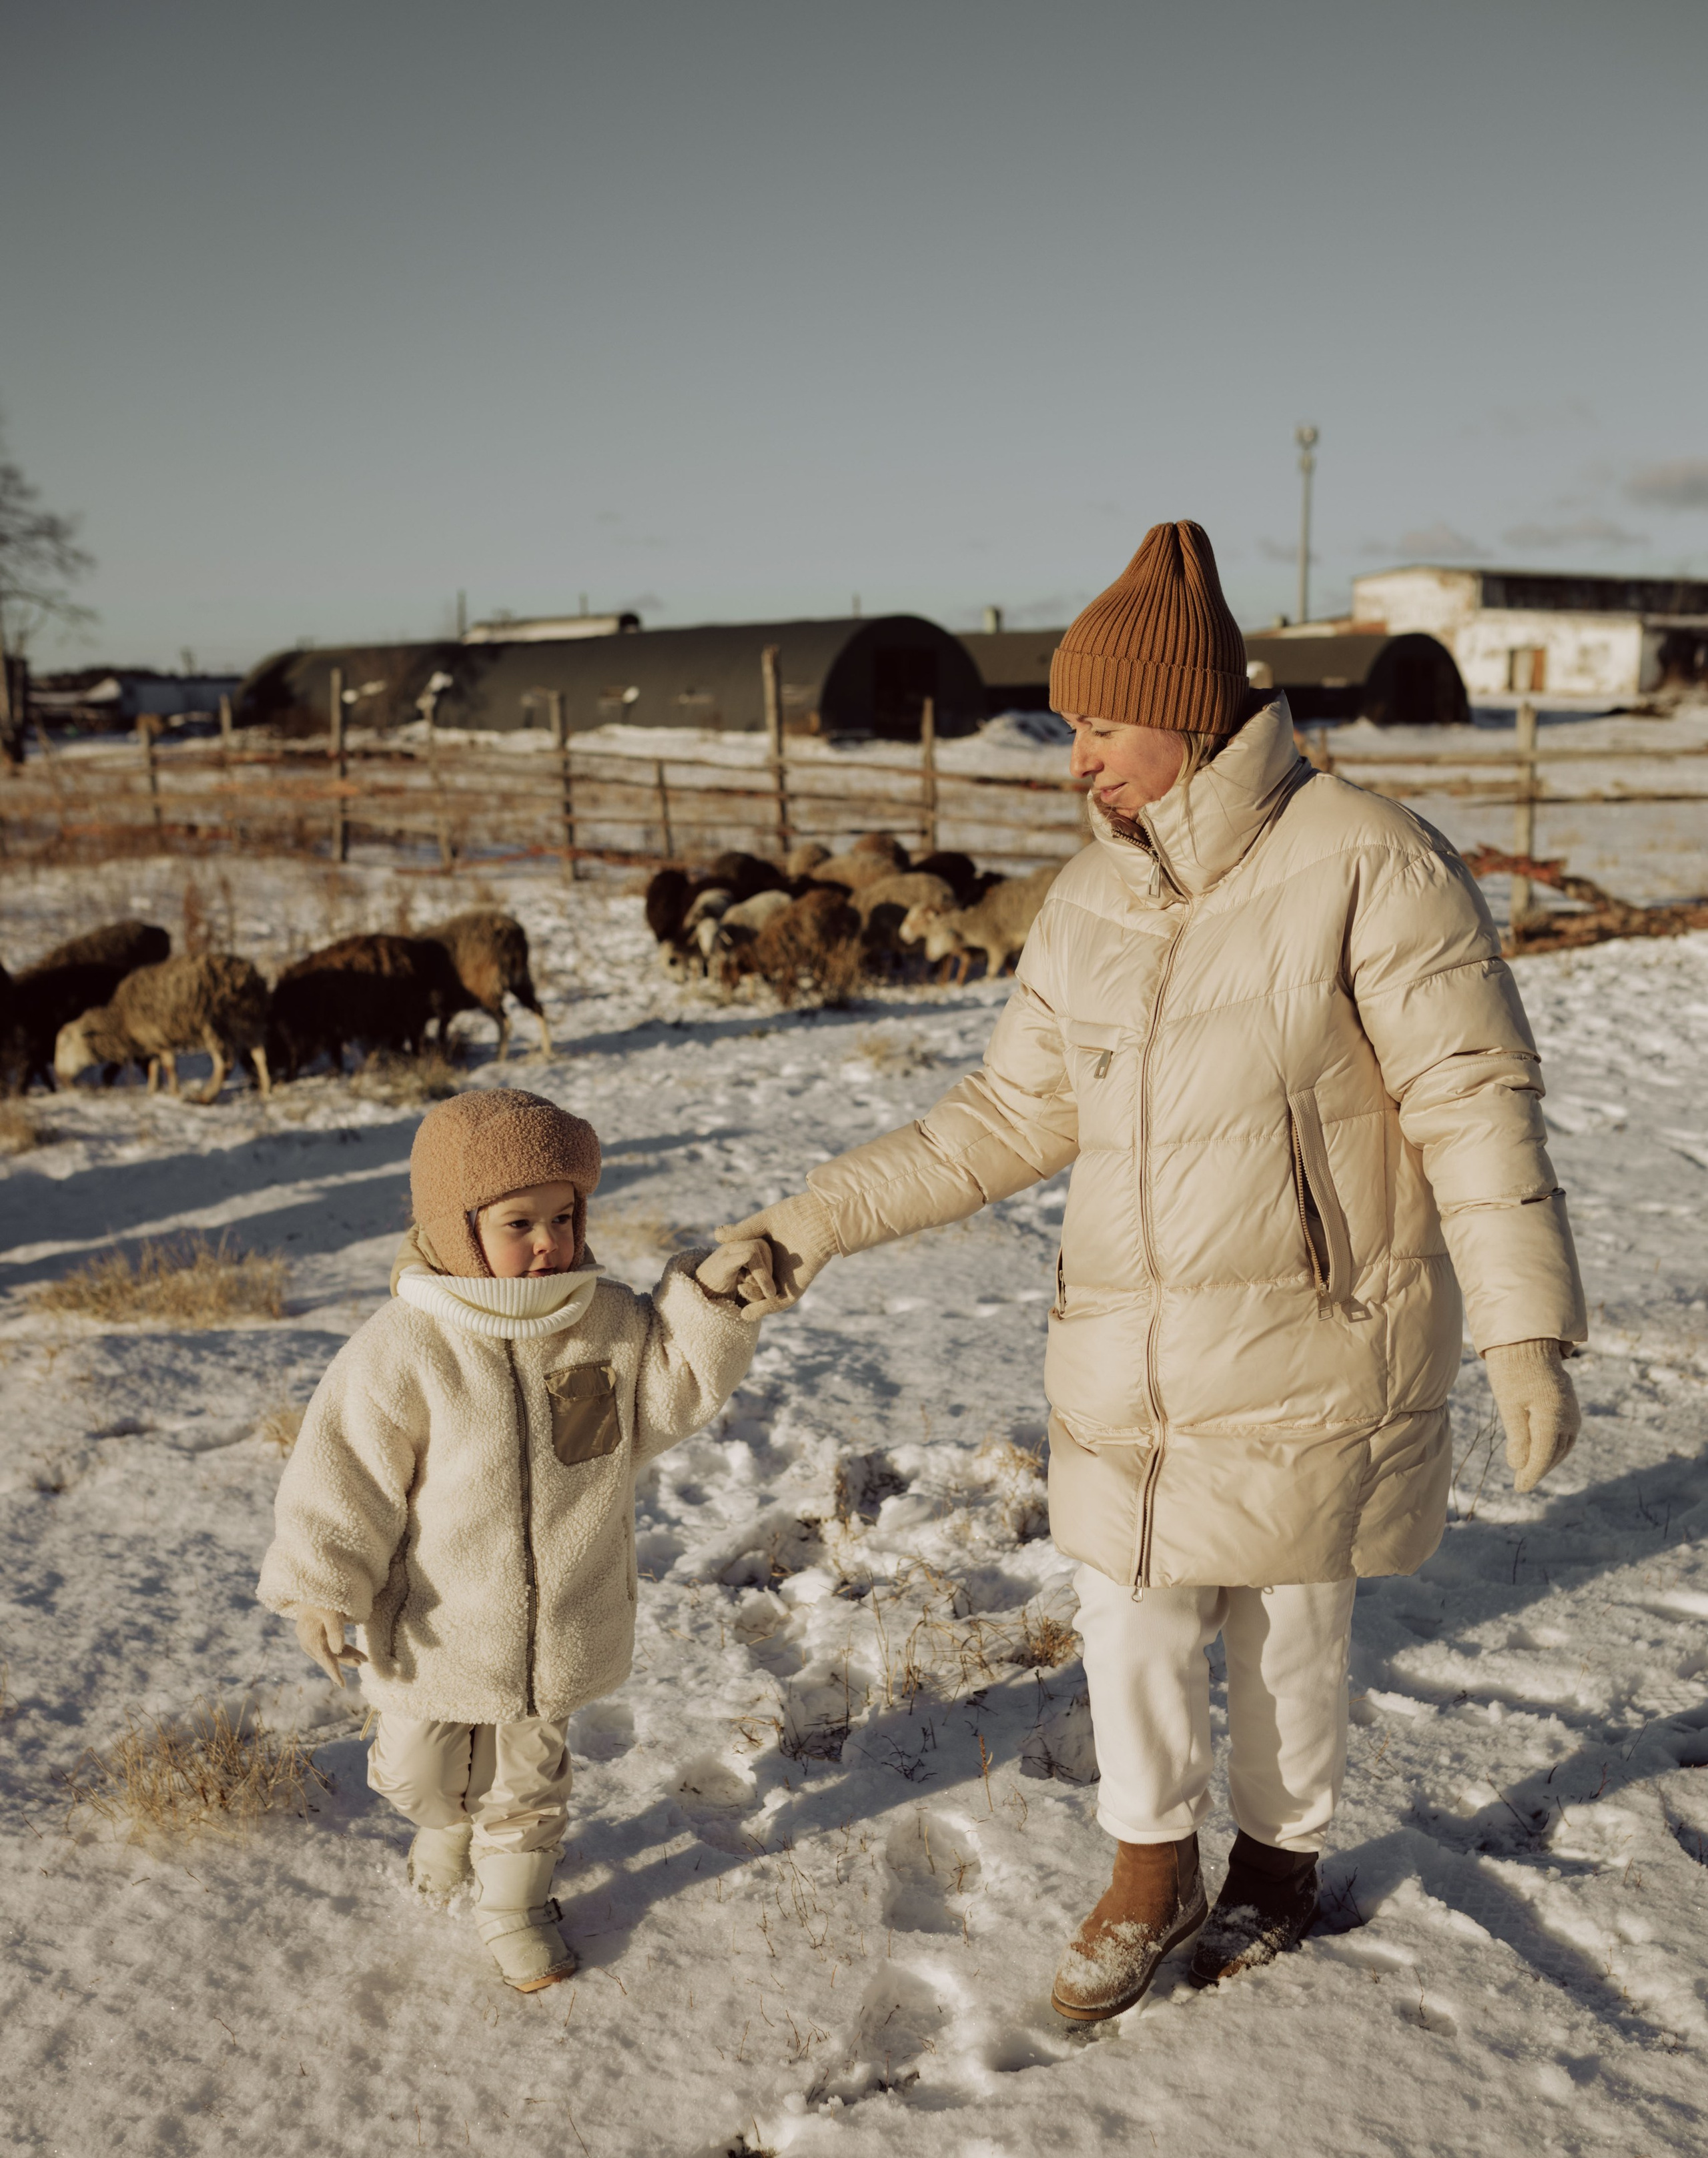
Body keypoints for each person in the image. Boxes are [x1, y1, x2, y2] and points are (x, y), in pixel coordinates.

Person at [713, 520, 1586, 2025]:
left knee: (1288, 1626)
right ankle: (1146, 1866)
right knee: (1127, 1613)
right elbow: (1001, 1116)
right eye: (1069, 730)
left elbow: (1471, 1101)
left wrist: (1523, 1329)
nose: (1077, 764)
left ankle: (1278, 1866)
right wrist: (812, 1221)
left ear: (1189, 714)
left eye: (1102, 729)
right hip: (1123, 1347)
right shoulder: (1087, 901)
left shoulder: (1367, 858)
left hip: (1316, 1335)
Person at [258, 1087, 758, 1993]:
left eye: (563, 1218)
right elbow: (344, 1475)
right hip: (436, 1628)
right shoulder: (406, 1345)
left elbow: (671, 1387)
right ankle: (443, 1825)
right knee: (420, 1776)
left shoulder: (603, 1321)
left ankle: (515, 1906)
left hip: (562, 1618)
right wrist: (321, 1586)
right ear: (458, 1230)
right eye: (518, 1223)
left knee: (527, 1784)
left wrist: (711, 1300)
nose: (547, 1244)